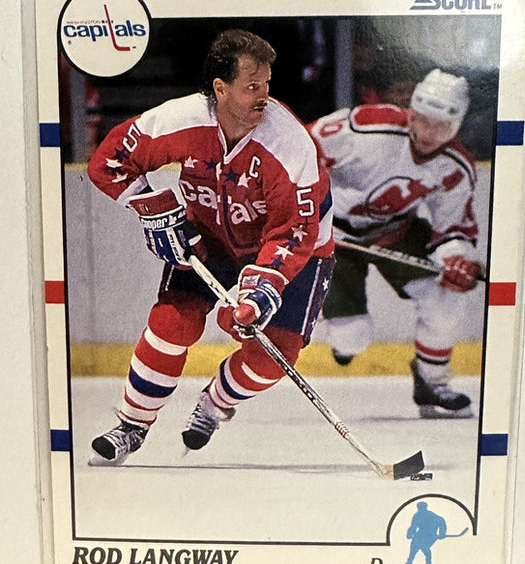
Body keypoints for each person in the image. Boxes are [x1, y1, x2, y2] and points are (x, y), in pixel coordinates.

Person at [87, 29, 335, 462]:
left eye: (267, 84)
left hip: (296, 251)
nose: (263, 95)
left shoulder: (289, 143)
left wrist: (259, 290)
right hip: (210, 237)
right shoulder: (180, 120)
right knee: (171, 323)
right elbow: (109, 162)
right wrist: (154, 208)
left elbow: (294, 231)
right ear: (220, 88)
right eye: (251, 86)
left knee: (272, 358)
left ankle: (215, 403)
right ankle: (131, 425)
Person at [308, 69, 482, 418]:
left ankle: (433, 383)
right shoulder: (368, 127)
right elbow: (300, 148)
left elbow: (452, 229)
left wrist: (457, 259)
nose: (431, 134)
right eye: (424, 121)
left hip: (397, 231)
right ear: (411, 113)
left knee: (446, 296)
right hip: (333, 237)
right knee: (353, 337)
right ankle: (334, 322)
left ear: (457, 125)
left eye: (443, 126)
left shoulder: (455, 167)